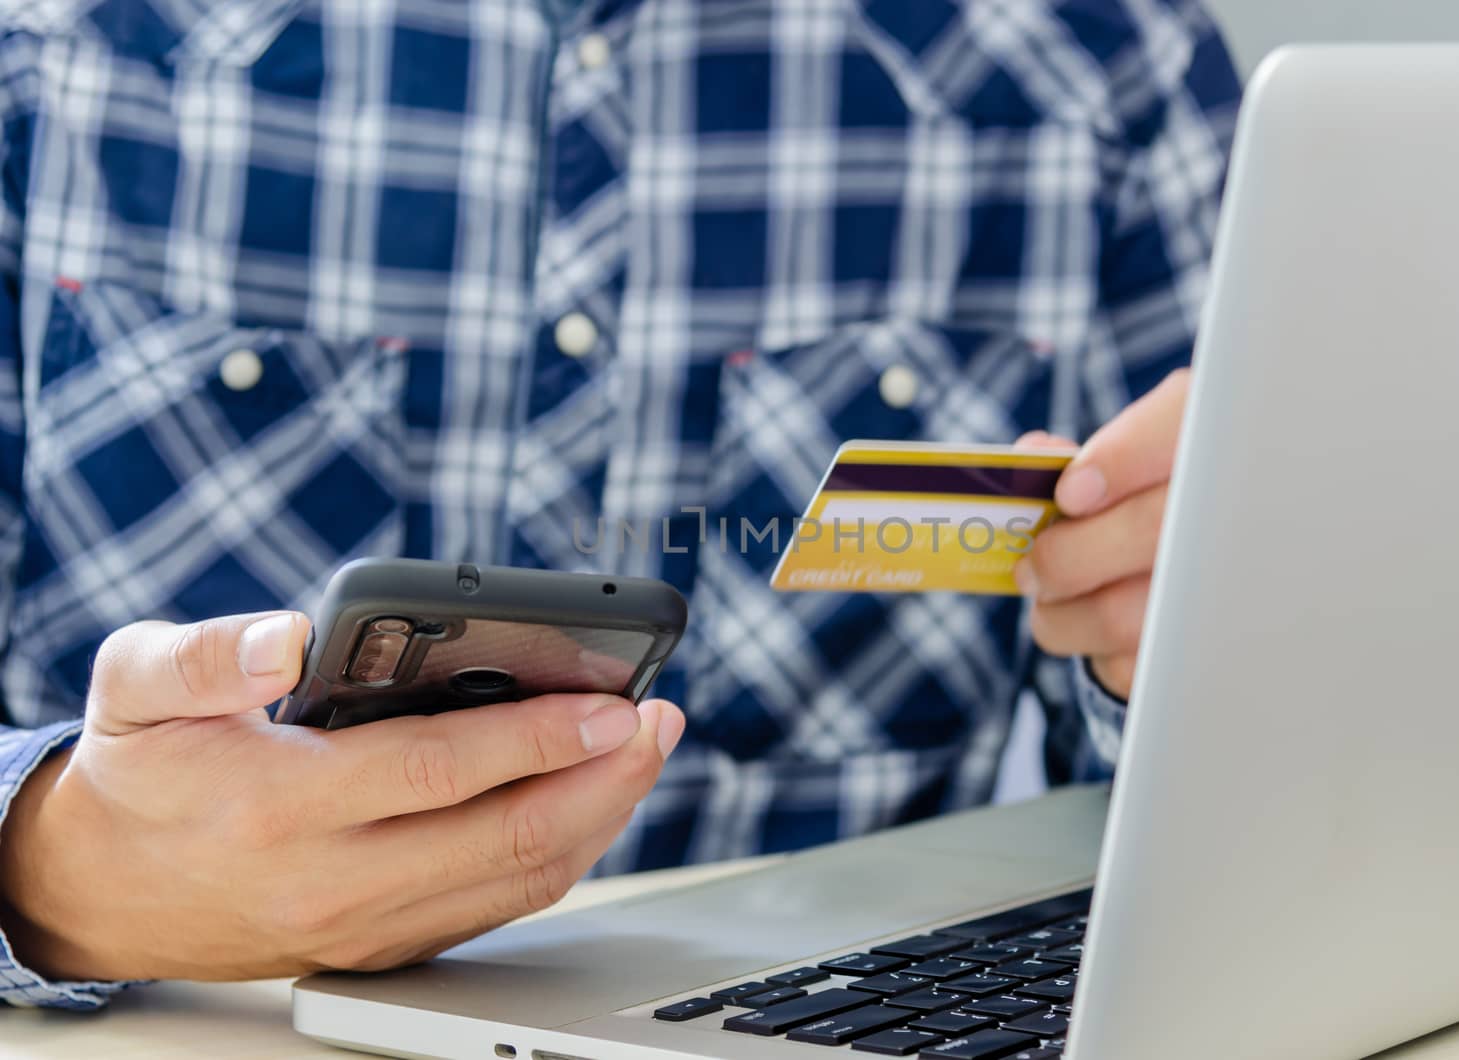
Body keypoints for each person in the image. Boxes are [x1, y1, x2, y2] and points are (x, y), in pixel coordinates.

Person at [0, 0, 1238, 1008]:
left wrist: (1182, 664)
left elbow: (1188, 806)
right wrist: (48, 870)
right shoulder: (43, 52)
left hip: (849, 1016)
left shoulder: (1103, 63)